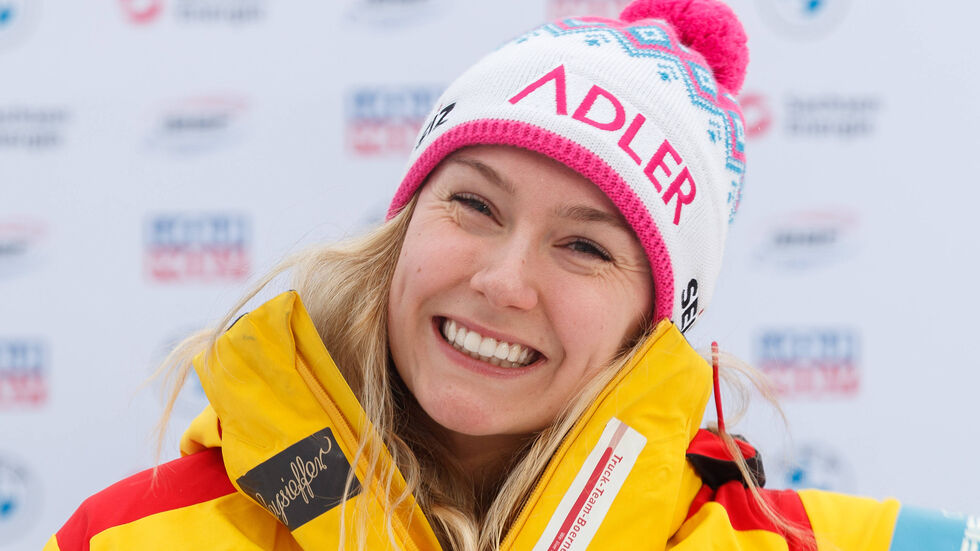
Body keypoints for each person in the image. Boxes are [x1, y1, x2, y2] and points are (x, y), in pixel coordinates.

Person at [44, 0, 975, 550]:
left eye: (586, 247)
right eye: (475, 205)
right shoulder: (130, 536)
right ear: (404, 225)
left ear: (653, 325)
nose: (502, 280)